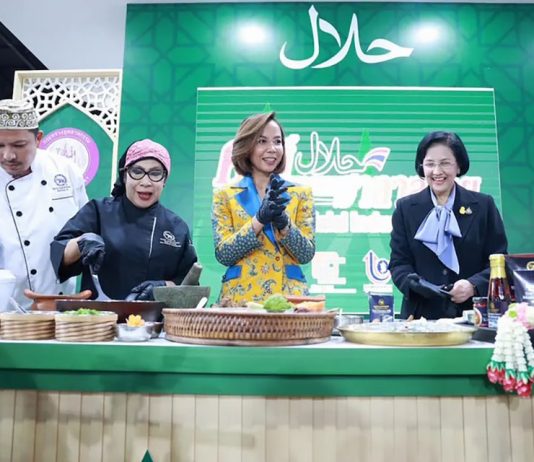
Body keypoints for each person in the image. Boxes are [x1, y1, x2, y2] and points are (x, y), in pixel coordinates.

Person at [51, 139, 197, 300]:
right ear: (125, 175)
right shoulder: (98, 211)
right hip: (99, 314)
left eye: (155, 173)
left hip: (155, 315)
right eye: (137, 172)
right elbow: (60, 256)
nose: (145, 182)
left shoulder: (177, 228)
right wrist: (82, 242)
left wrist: (163, 288)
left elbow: (188, 286)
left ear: (165, 180)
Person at [389, 131, 508, 320]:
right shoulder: (406, 208)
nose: (437, 171)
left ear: (458, 166)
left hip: (473, 315)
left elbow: (500, 260)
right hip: (419, 319)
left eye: (445, 163)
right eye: (430, 164)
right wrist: (418, 285)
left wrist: (473, 285)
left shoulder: (483, 205)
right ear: (421, 167)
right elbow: (399, 264)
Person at [211, 112, 316, 306]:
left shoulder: (301, 194)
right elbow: (224, 254)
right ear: (246, 146)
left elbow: (305, 254)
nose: (272, 149)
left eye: (277, 142)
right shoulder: (224, 195)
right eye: (262, 141)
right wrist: (258, 220)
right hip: (240, 300)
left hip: (288, 299)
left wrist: (284, 223)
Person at [0, 99, 88, 309]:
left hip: (61, 305)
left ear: (38, 139)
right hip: (5, 309)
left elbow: (84, 229)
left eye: (19, 145)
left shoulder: (65, 171)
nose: (8, 155)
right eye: (0, 145)